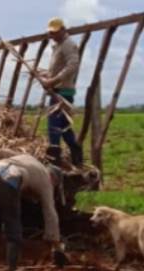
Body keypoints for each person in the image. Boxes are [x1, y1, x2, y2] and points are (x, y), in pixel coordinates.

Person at [41, 17, 83, 167]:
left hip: (62, 93)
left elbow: (72, 65)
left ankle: (55, 164)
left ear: (63, 30)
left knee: (54, 128)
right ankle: (77, 157)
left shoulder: (68, 45)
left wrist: (52, 81)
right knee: (64, 129)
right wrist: (47, 76)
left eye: (55, 32)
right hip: (58, 91)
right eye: (51, 33)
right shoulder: (58, 46)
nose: (52, 35)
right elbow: (59, 67)